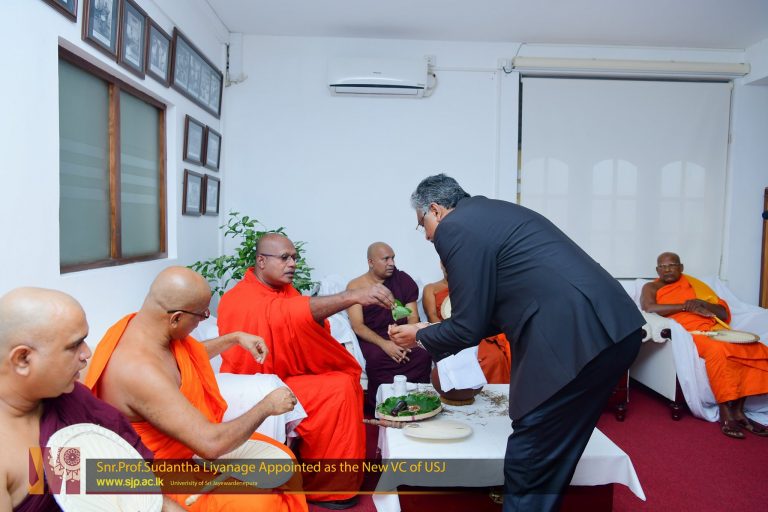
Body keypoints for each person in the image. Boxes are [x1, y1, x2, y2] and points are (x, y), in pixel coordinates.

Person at [389, 174, 644, 512]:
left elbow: (467, 327)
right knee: (553, 455)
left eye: (422, 224)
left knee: (530, 453)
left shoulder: (455, 227)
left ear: (435, 210)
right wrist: (429, 329)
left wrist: (420, 336)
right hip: (611, 329)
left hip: (576, 336)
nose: (426, 235)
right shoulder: (491, 213)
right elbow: (486, 313)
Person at [85, 267, 308, 512]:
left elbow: (187, 358)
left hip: (190, 448)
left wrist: (233, 338)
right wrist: (266, 406)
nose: (203, 320)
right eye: (202, 315)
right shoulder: (140, 372)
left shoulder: (145, 326)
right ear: (176, 318)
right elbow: (210, 445)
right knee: (261, 504)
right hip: (161, 474)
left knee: (282, 459)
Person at [217, 233, 395, 509]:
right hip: (256, 385)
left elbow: (300, 321)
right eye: (284, 258)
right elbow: (287, 313)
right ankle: (328, 488)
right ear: (261, 261)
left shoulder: (284, 290)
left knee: (344, 379)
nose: (293, 263)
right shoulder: (239, 298)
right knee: (337, 390)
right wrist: (351, 296)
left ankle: (334, 476)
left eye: (294, 257)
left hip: (287, 374)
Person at [0, 287, 183, 512]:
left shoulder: (72, 401)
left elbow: (134, 488)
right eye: (74, 345)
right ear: (23, 359)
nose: (87, 353)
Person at [640, 252, 768, 439]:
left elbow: (723, 314)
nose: (667, 270)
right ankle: (725, 411)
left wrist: (701, 303)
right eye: (663, 266)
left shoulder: (697, 287)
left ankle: (739, 411)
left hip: (714, 330)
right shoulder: (651, 287)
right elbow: (649, 308)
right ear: (657, 270)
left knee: (754, 347)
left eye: (672, 265)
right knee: (718, 350)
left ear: (681, 267)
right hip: (690, 334)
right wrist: (685, 306)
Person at [346, 242, 432, 410]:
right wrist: (385, 344)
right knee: (378, 358)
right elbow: (358, 326)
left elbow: (412, 316)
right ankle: (383, 407)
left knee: (422, 353)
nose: (391, 263)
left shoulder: (403, 280)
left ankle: (419, 404)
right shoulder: (355, 287)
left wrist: (408, 339)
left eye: (393, 258)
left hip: (402, 333)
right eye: (386, 259)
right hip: (374, 338)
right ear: (370, 262)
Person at [423, 263, 512, 384]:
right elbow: (432, 316)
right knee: (460, 360)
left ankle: (493, 392)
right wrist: (449, 335)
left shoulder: (471, 284)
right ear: (441, 265)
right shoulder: (431, 288)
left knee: (495, 357)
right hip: (447, 335)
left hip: (474, 332)